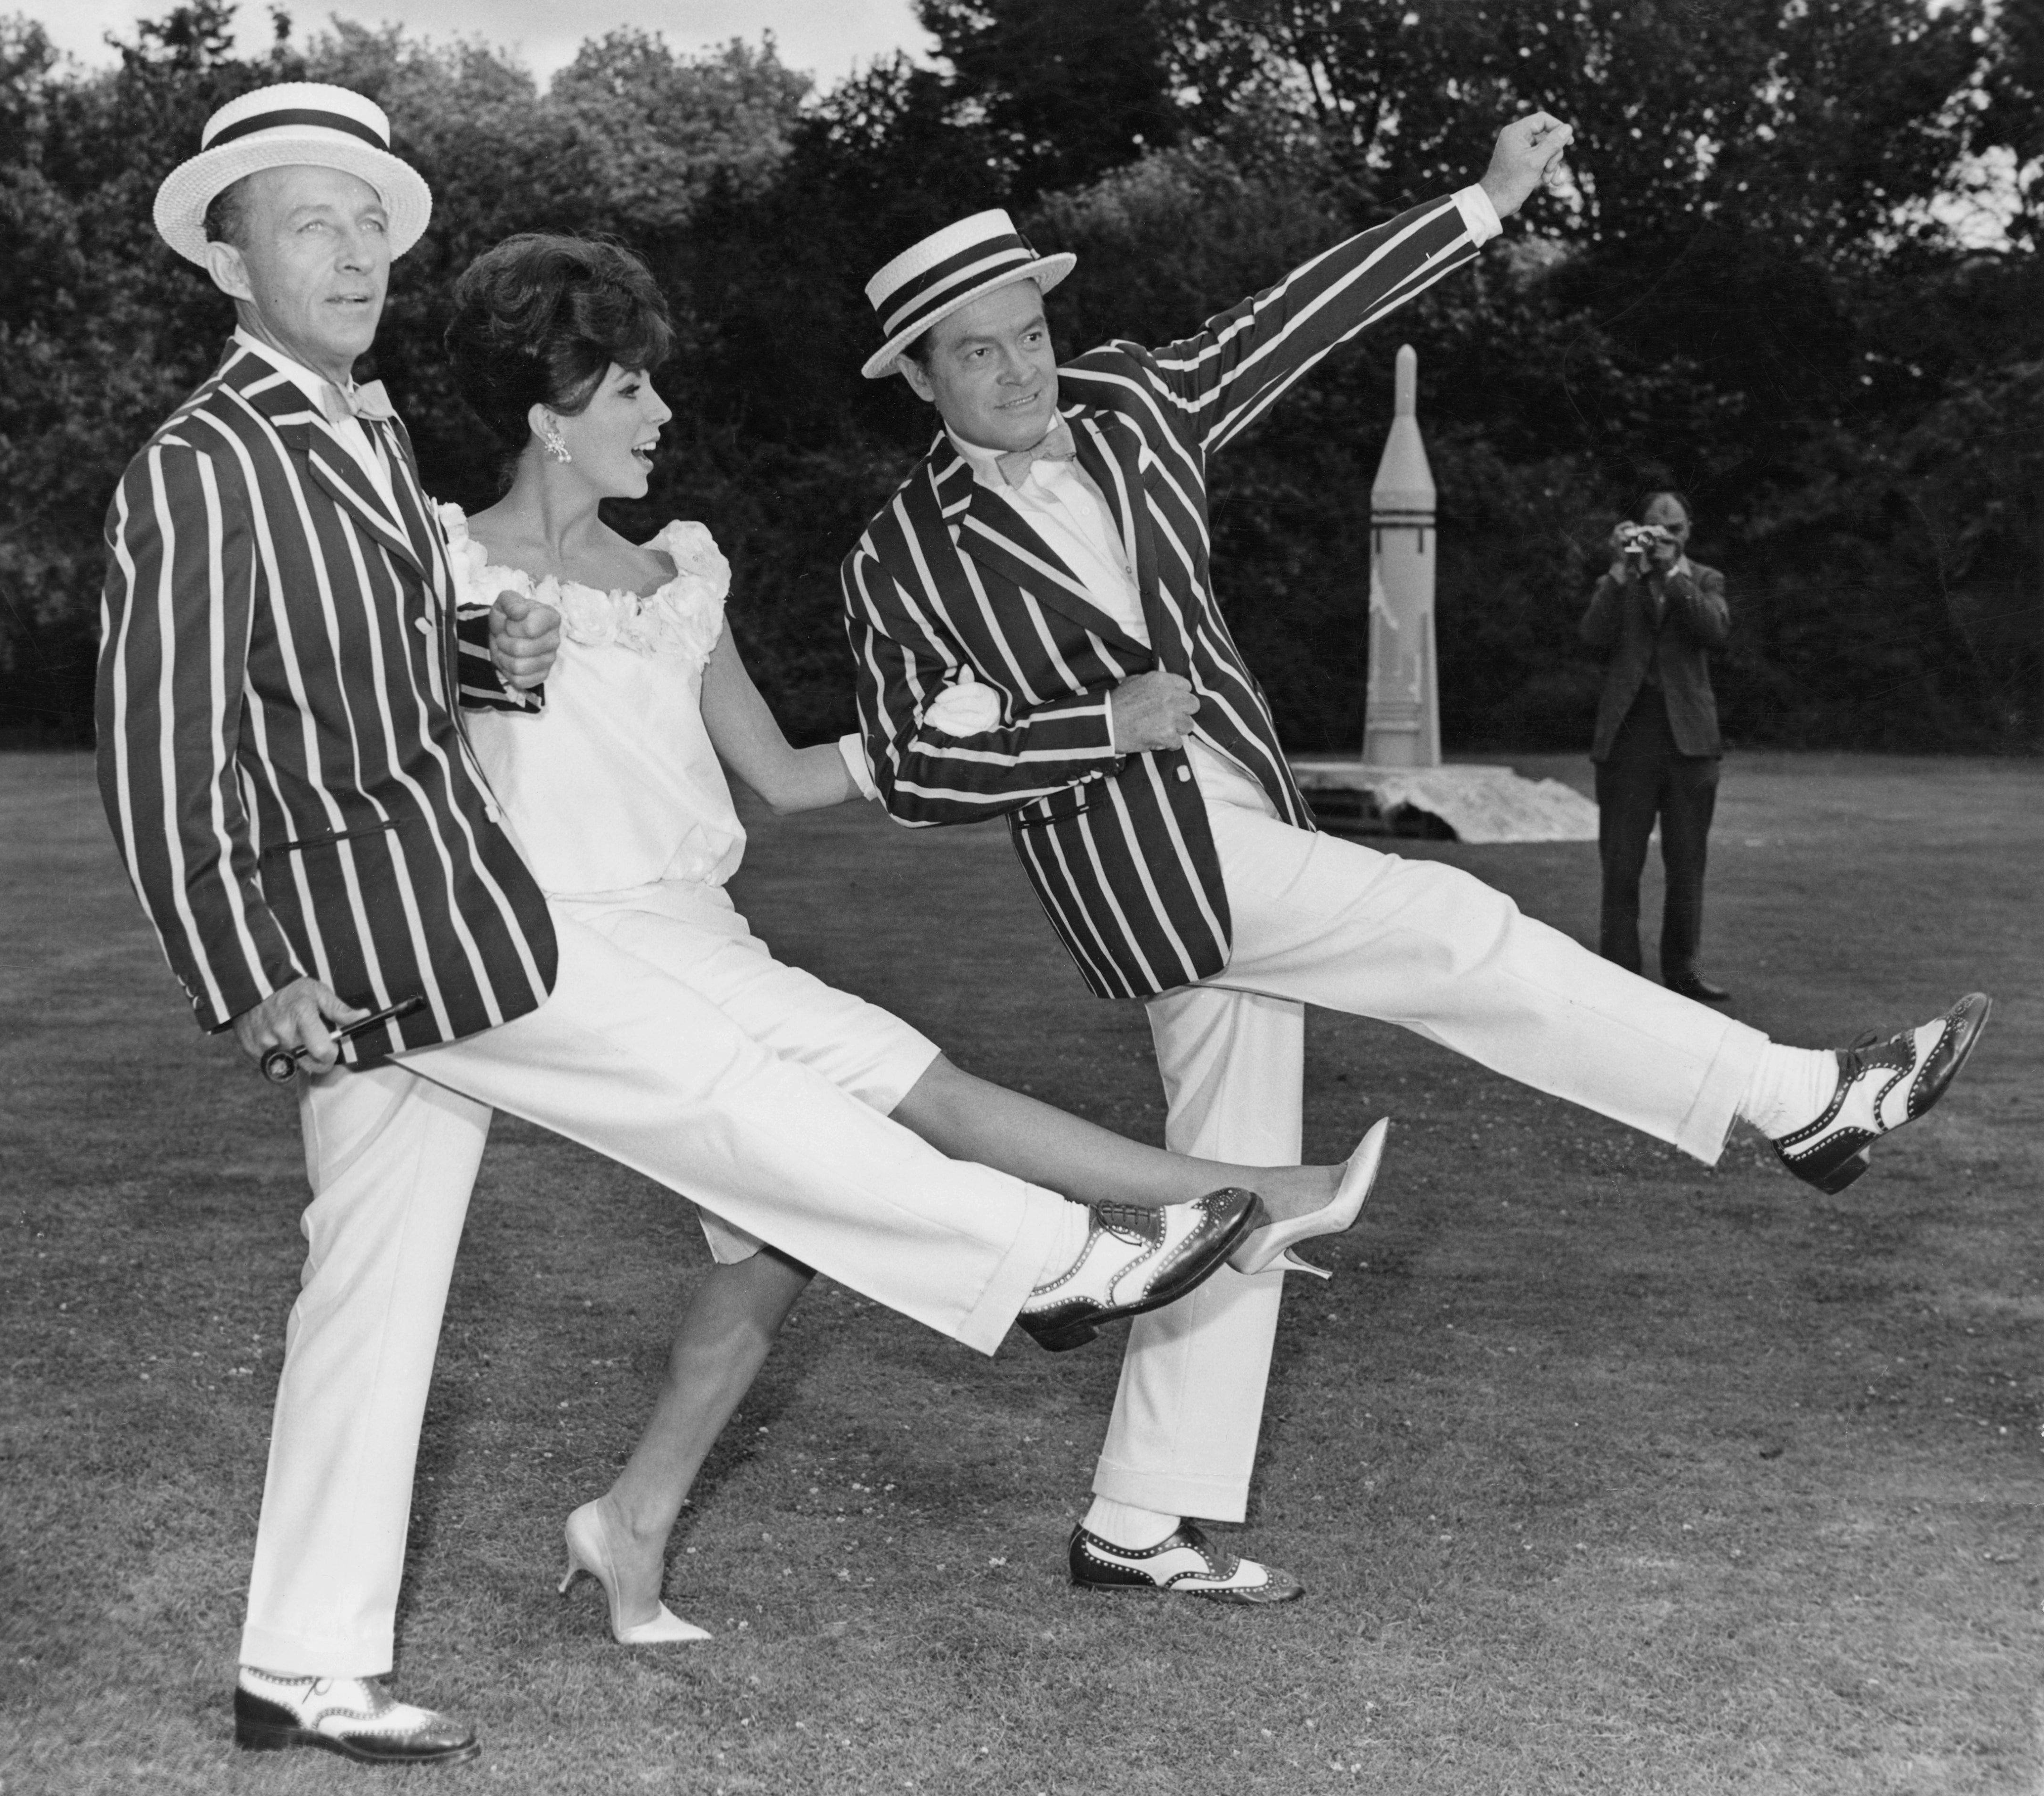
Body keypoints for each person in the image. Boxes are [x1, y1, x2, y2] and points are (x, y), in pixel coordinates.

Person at [99, 81, 1266, 1769]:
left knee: (368, 1290)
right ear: (229, 257)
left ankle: (299, 1661)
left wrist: (459, 662)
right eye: (306, 222)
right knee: (724, 1095)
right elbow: (162, 741)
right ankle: (1064, 1260)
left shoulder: (354, 430)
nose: (348, 252)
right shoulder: (206, 461)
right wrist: (242, 966)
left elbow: (347, 668)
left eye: (366, 221)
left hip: (428, 910)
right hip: (399, 936)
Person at [833, 111, 1991, 1600]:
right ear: (918, 380)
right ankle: (1797, 1098)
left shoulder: (1131, 403)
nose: (1022, 367)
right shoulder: (895, 557)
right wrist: (1093, 724)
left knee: (1243, 1187)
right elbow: (920, 775)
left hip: (1248, 820)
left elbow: (1297, 316)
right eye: (979, 353)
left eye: (1029, 330)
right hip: (1148, 876)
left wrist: (1485, 203)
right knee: (1452, 925)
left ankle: (1135, 1520)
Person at [439, 231, 1392, 1631]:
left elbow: (782, 776)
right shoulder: (440, 570)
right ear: (549, 415)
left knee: (786, 1231)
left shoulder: (674, 576)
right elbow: (396, 733)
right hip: (576, 957)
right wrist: (479, 665)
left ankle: (626, 1521)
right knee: (880, 1127)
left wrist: (951, 732)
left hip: (698, 937)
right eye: (631, 392)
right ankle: (1208, 1210)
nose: (661, 416)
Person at [1581, 491, 1731, 1001]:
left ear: (1688, 531)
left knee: (1687, 864)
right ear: (1637, 528)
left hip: (1690, 742)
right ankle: (1620, 973)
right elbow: (1593, 638)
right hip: (1629, 740)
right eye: (1653, 526)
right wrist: (1623, 572)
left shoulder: (1706, 580)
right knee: (1621, 862)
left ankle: (1683, 970)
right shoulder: (1619, 579)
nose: (1663, 536)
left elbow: (1714, 631)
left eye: (1673, 528)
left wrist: (1672, 574)